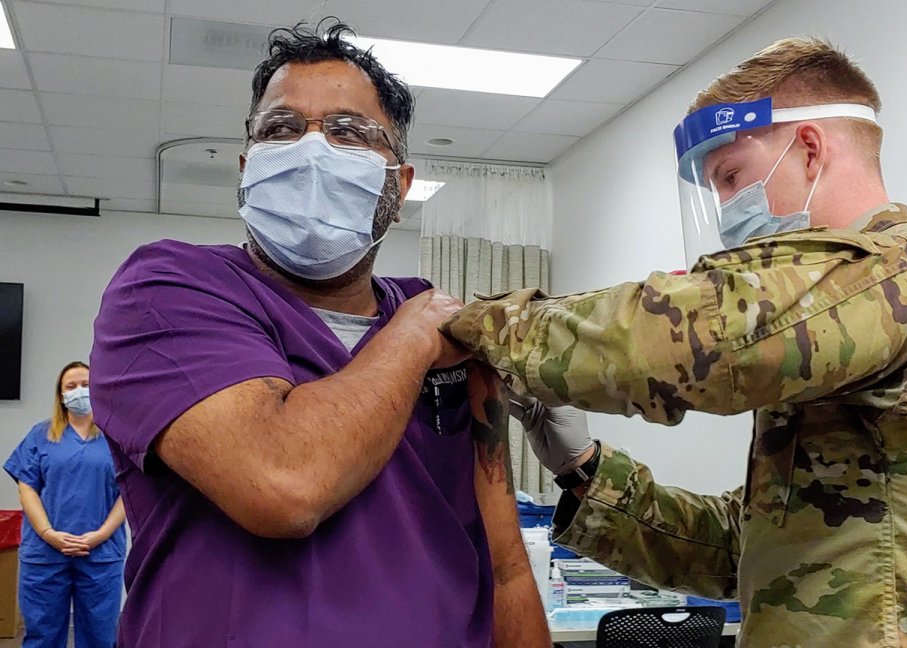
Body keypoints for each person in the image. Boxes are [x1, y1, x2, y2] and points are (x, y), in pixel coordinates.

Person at [443, 37, 907, 647]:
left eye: (732, 177)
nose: (728, 210)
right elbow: (744, 551)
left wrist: (476, 324)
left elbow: (690, 338)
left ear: (809, 150)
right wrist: (584, 469)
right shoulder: (840, 331)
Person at [88, 19, 547, 648]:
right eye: (281, 128)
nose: (311, 152)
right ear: (247, 169)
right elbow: (282, 483)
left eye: (348, 132)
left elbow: (506, 565)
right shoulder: (166, 291)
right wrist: (412, 339)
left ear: (399, 185)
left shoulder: (448, 326)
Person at [3, 361, 126, 648]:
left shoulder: (117, 437)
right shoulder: (40, 435)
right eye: (71, 386)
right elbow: (27, 488)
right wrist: (48, 534)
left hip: (100, 553)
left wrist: (101, 534)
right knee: (42, 635)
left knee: (100, 636)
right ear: (60, 395)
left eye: (85, 385)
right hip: (45, 554)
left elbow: (127, 492)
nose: (79, 391)